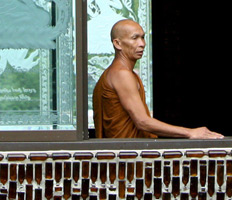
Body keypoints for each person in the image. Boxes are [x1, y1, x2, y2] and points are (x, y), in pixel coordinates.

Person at [92, 19, 224, 139]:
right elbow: (142, 121)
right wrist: (190, 132)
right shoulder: (121, 74)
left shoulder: (117, 73)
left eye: (143, 37)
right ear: (117, 43)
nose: (142, 44)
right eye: (135, 38)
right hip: (127, 154)